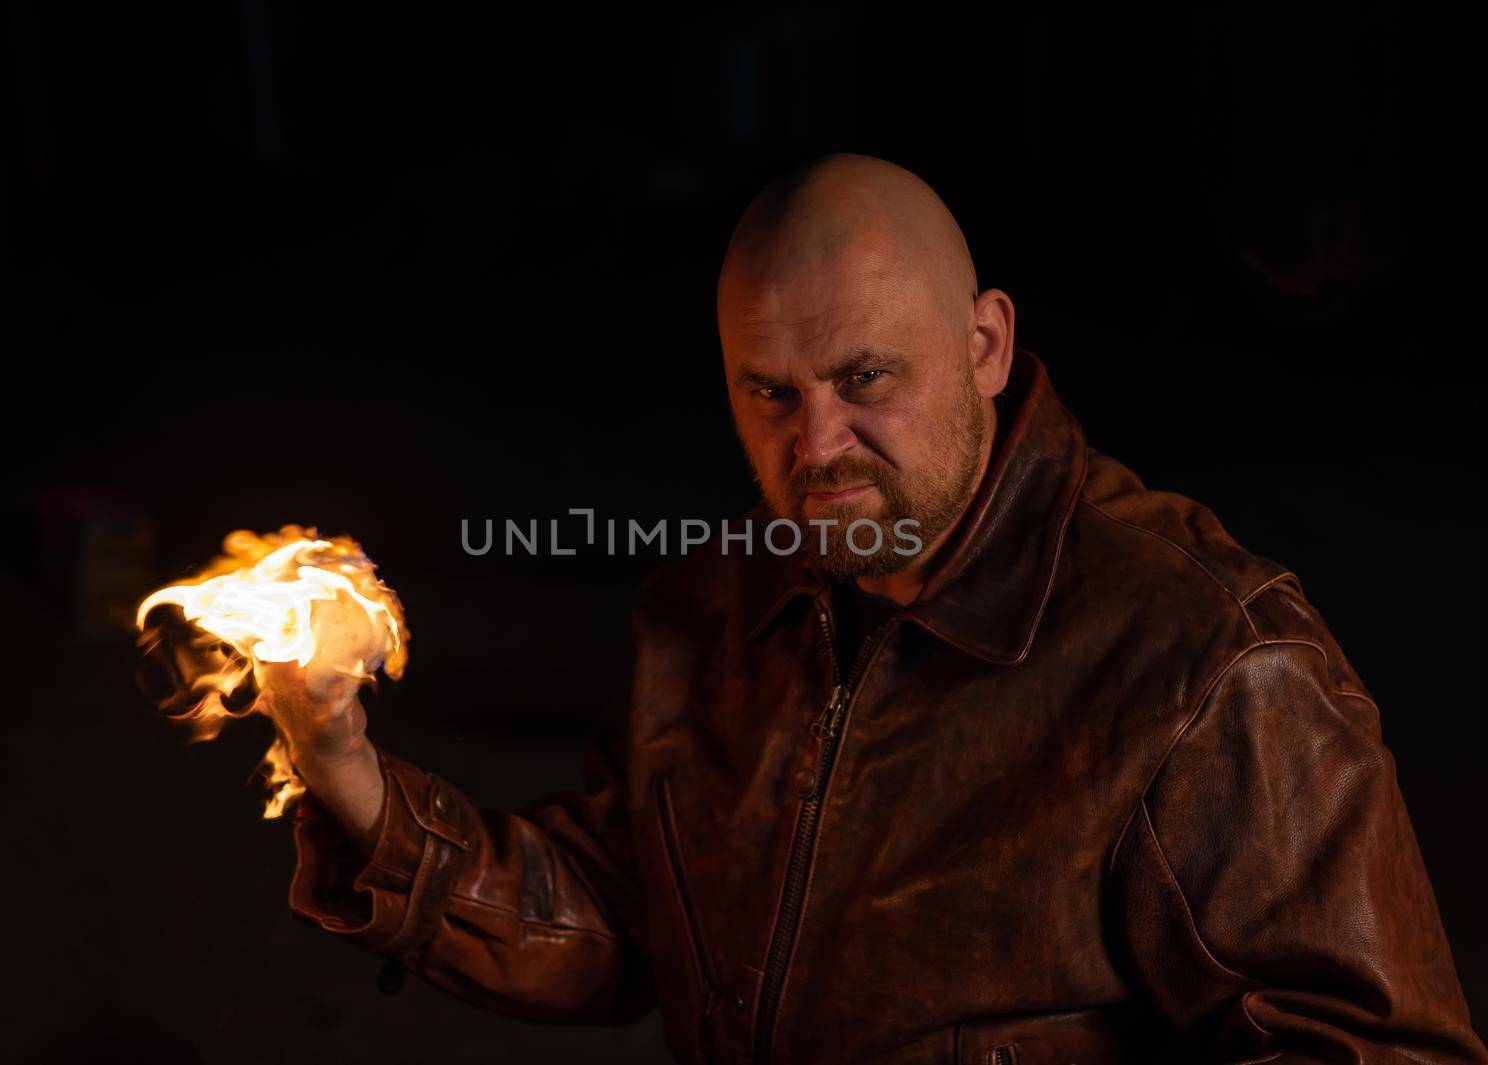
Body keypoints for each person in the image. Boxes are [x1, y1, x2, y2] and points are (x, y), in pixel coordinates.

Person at [266, 155, 1486, 1063]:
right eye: (769, 391)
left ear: (987, 345)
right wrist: (350, 776)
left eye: (864, 379)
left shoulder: (1205, 660)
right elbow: (631, 922)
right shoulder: (705, 613)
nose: (816, 445)